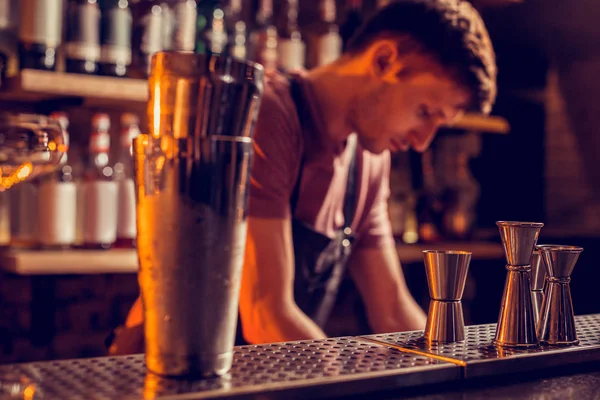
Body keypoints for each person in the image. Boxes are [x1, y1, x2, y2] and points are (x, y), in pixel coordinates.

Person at [108, 0, 497, 353]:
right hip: (170, 375)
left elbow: (392, 308)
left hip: (259, 379)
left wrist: (463, 370)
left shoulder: (368, 159)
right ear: (383, 61)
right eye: (425, 112)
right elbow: (266, 317)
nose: (422, 142)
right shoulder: (270, 116)